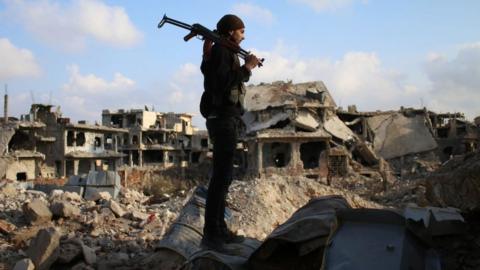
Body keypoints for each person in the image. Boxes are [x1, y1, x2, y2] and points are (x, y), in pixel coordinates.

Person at [200, 14, 260, 250]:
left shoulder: (224, 51)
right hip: (223, 119)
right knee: (220, 178)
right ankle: (212, 234)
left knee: (224, 178)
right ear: (230, 32)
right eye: (241, 31)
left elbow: (212, 75)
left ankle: (220, 230)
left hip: (227, 119)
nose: (244, 36)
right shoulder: (223, 52)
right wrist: (247, 67)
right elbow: (220, 82)